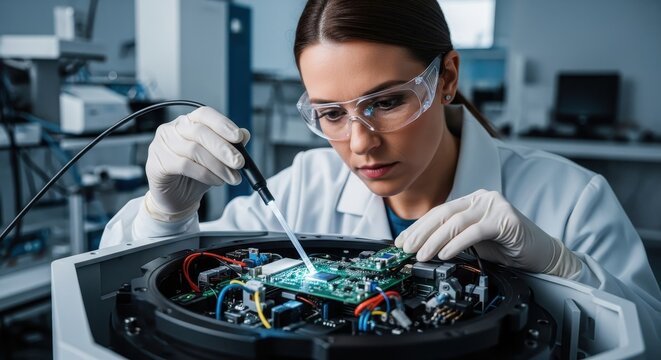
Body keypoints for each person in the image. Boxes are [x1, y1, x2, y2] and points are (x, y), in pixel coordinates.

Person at [101, 0, 661, 354]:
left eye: (388, 101)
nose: (361, 142)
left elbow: (651, 338)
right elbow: (142, 286)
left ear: (446, 78)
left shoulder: (570, 197)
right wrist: (164, 213)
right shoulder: (304, 185)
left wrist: (561, 267)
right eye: (332, 113)